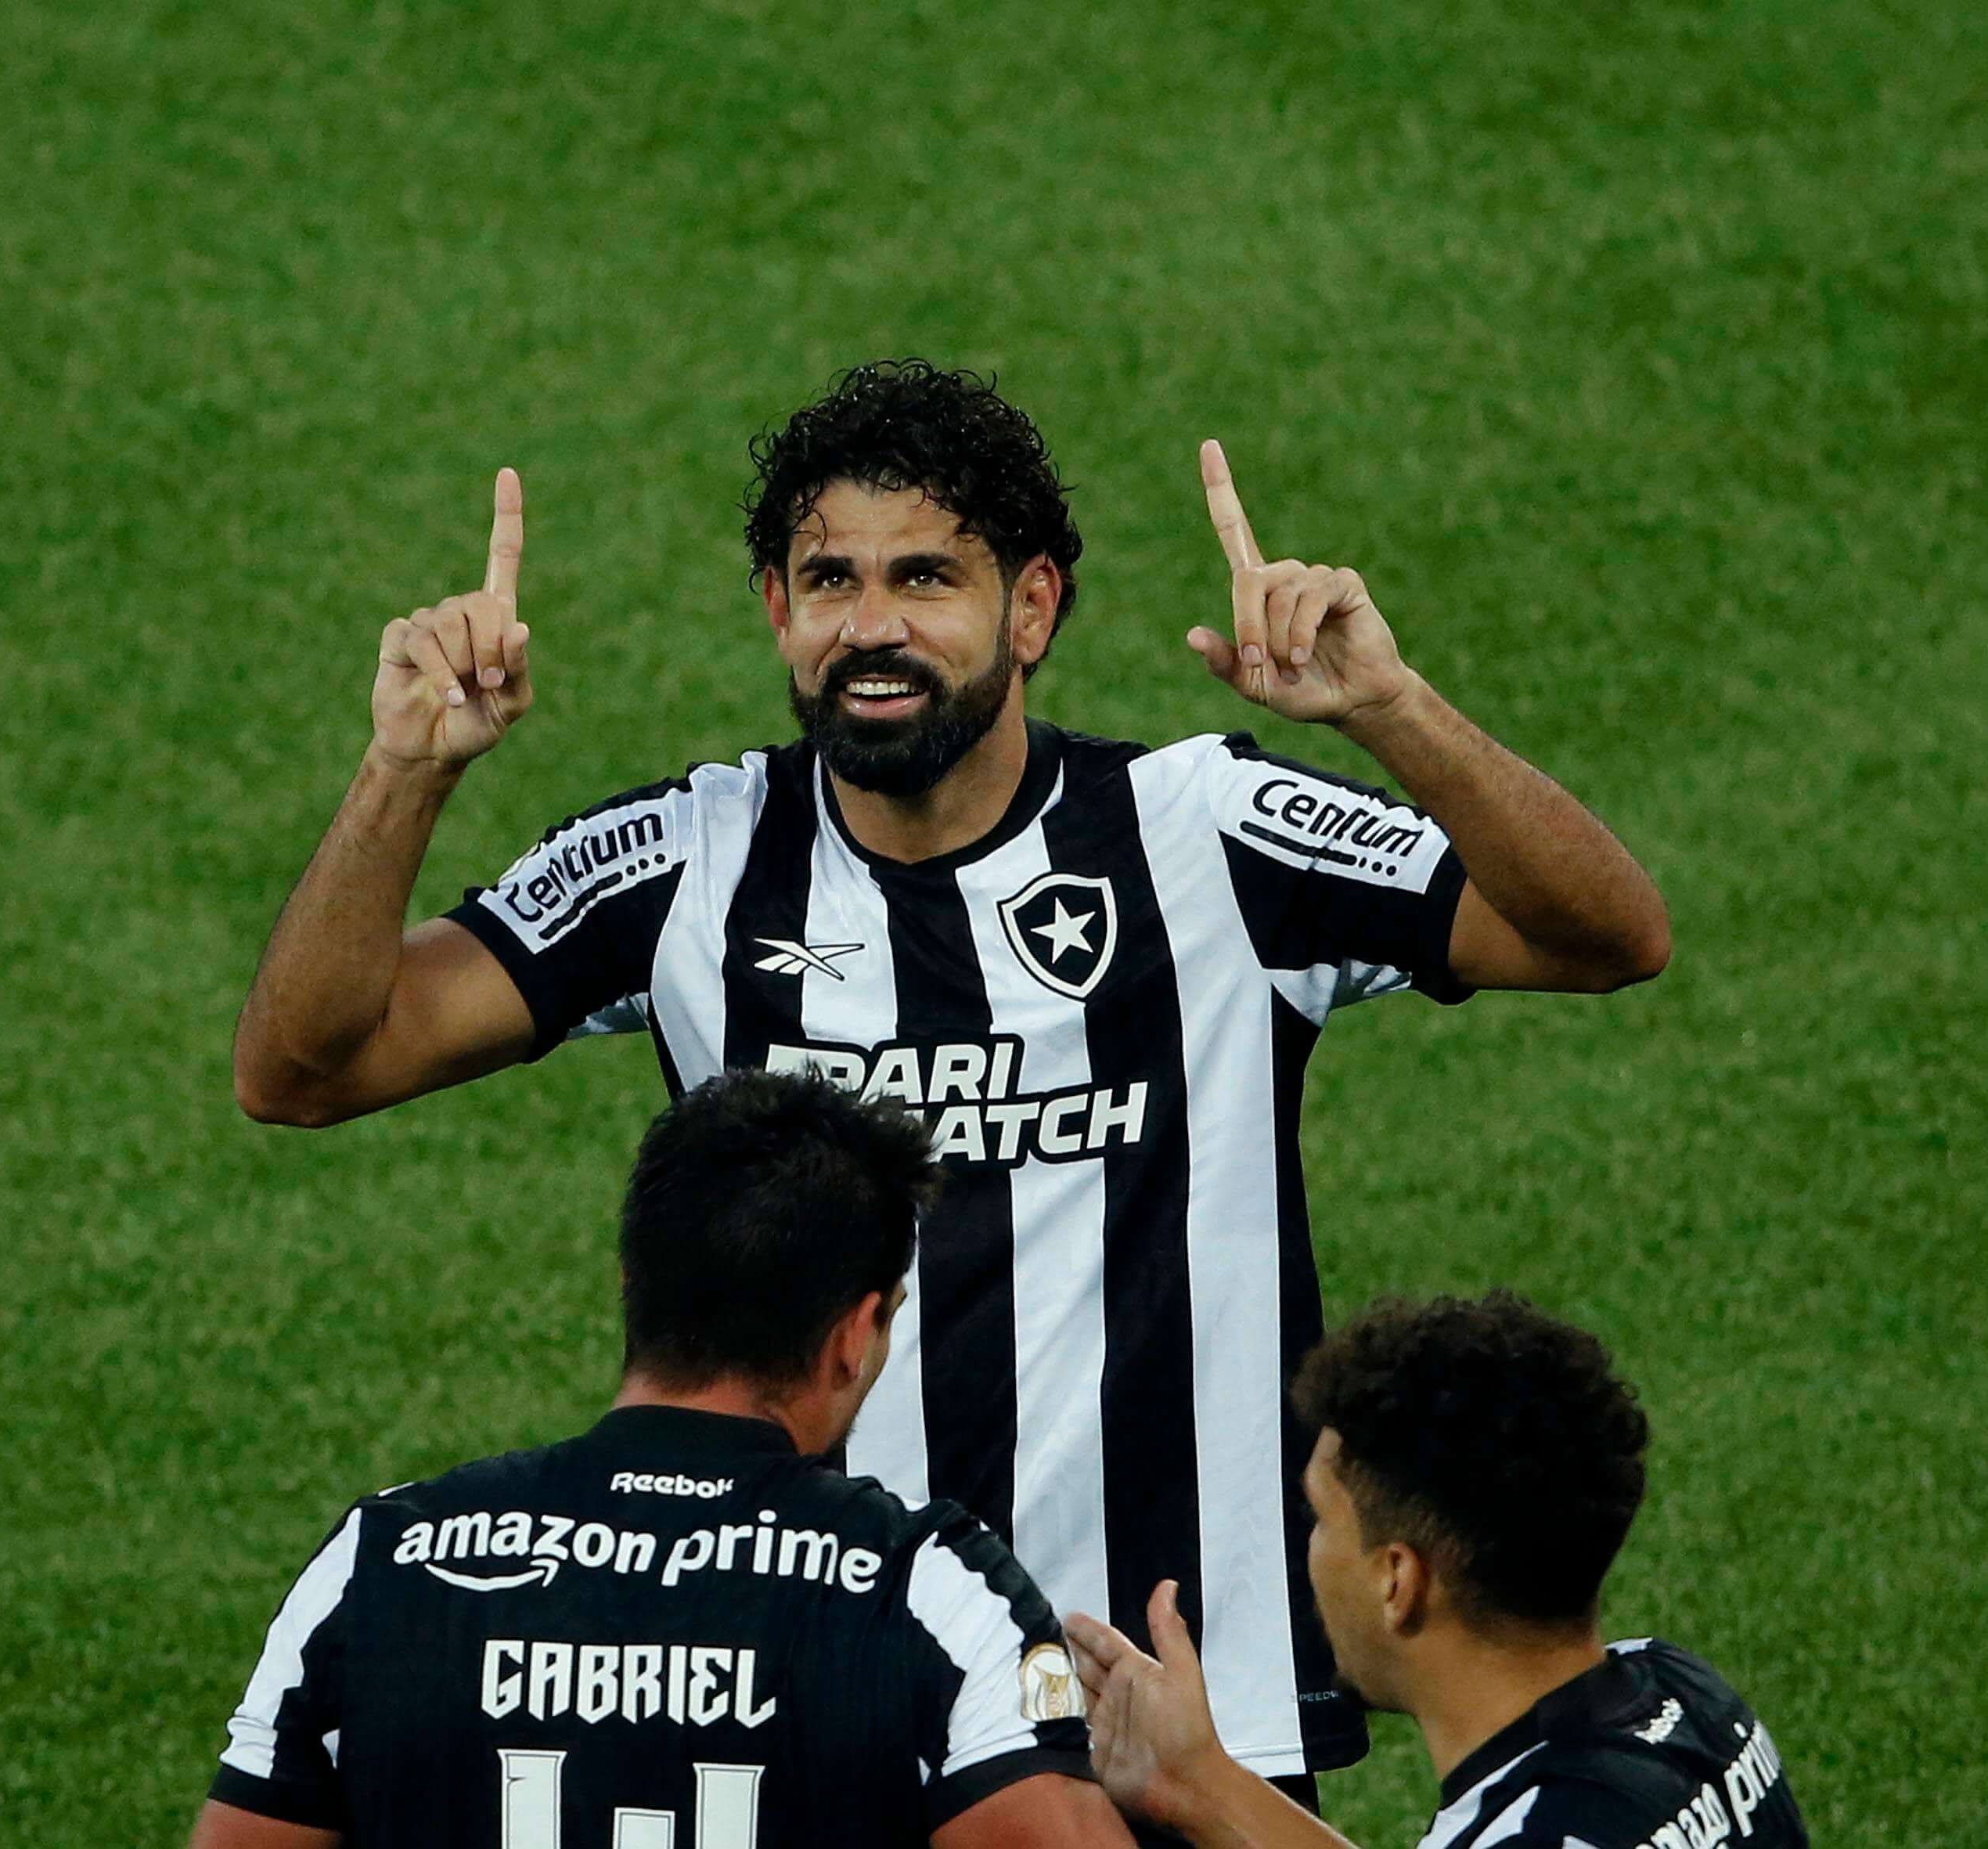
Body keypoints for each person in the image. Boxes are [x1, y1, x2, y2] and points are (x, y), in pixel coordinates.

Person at [232, 359, 1673, 1788]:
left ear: (1029, 606)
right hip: (830, 1702)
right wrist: (403, 769)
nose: (872, 628)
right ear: (775, 612)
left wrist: (1388, 708)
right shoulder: (689, 862)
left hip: (1166, 1718)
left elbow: (1605, 933)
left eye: (925, 578)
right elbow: (304, 1067)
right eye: (828, 581)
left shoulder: (1209, 833)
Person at [190, 1069, 1134, 1849]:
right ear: (857, 1334)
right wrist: (1208, 1790)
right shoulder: (933, 1595)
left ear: (631, 1282)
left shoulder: (382, 1562)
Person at [1064, 1293, 1808, 1849]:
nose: (1309, 1551)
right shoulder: (1686, 1697)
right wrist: (1196, 1780)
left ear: (1398, 1580)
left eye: (1322, 1517)